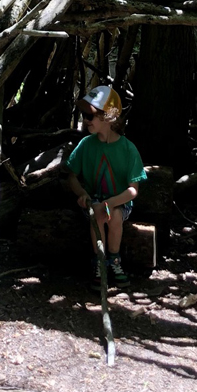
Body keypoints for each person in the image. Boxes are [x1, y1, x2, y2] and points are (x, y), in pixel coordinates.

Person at [65, 84, 145, 287]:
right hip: (93, 202)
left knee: (114, 214)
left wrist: (110, 203)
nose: (86, 120)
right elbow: (72, 176)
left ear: (108, 117)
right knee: (97, 214)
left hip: (119, 203)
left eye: (90, 115)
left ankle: (114, 261)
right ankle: (99, 262)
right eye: (84, 115)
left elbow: (133, 190)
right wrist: (83, 195)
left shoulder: (128, 149)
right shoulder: (85, 145)